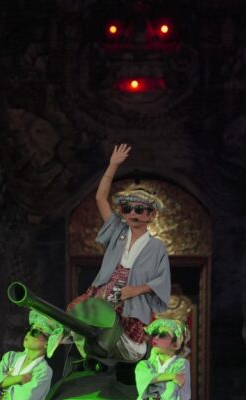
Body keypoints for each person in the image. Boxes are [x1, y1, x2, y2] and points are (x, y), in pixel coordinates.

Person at [67, 143, 172, 362]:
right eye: (127, 209)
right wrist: (112, 165)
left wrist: (135, 290)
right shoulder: (117, 231)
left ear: (151, 215)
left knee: (114, 325)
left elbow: (161, 281)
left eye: (140, 209)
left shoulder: (156, 247)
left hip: (129, 300)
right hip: (104, 290)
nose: (133, 213)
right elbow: (100, 198)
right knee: (74, 310)